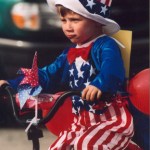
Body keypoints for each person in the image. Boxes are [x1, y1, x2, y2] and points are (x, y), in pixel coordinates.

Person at [0, 0, 141, 149]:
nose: (68, 26)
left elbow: (112, 69)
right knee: (58, 147)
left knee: (86, 145)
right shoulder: (69, 54)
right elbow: (46, 75)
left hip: (109, 120)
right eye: (63, 20)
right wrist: (13, 84)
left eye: (75, 20)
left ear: (97, 22)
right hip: (81, 122)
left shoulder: (106, 45)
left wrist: (98, 84)